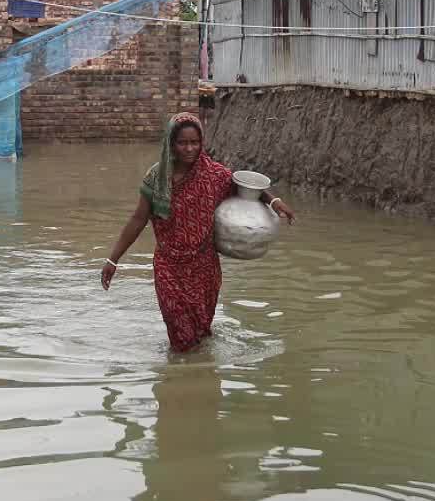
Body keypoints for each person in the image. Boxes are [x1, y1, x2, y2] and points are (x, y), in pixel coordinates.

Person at [100, 112, 294, 352]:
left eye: (195, 142)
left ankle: (200, 379)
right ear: (171, 143)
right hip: (169, 266)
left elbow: (247, 188)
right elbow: (138, 219)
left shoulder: (214, 174)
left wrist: (275, 202)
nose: (189, 148)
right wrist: (113, 259)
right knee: (179, 335)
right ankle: (181, 379)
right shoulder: (157, 178)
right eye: (182, 142)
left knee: (200, 334)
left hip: (204, 268)